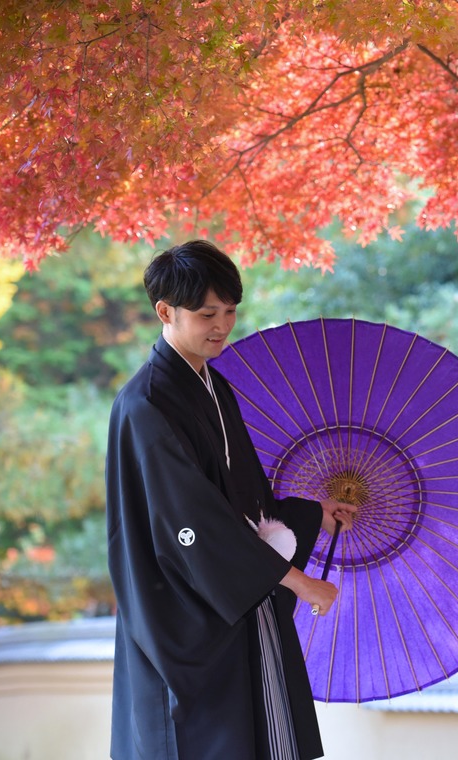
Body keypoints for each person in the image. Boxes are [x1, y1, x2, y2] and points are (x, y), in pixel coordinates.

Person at [106, 240, 356, 759]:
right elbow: (192, 522)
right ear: (165, 312)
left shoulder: (214, 387)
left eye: (230, 311)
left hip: (237, 595)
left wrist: (313, 516)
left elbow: (246, 502)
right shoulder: (146, 405)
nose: (222, 326)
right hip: (184, 608)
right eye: (207, 314)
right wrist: (298, 581)